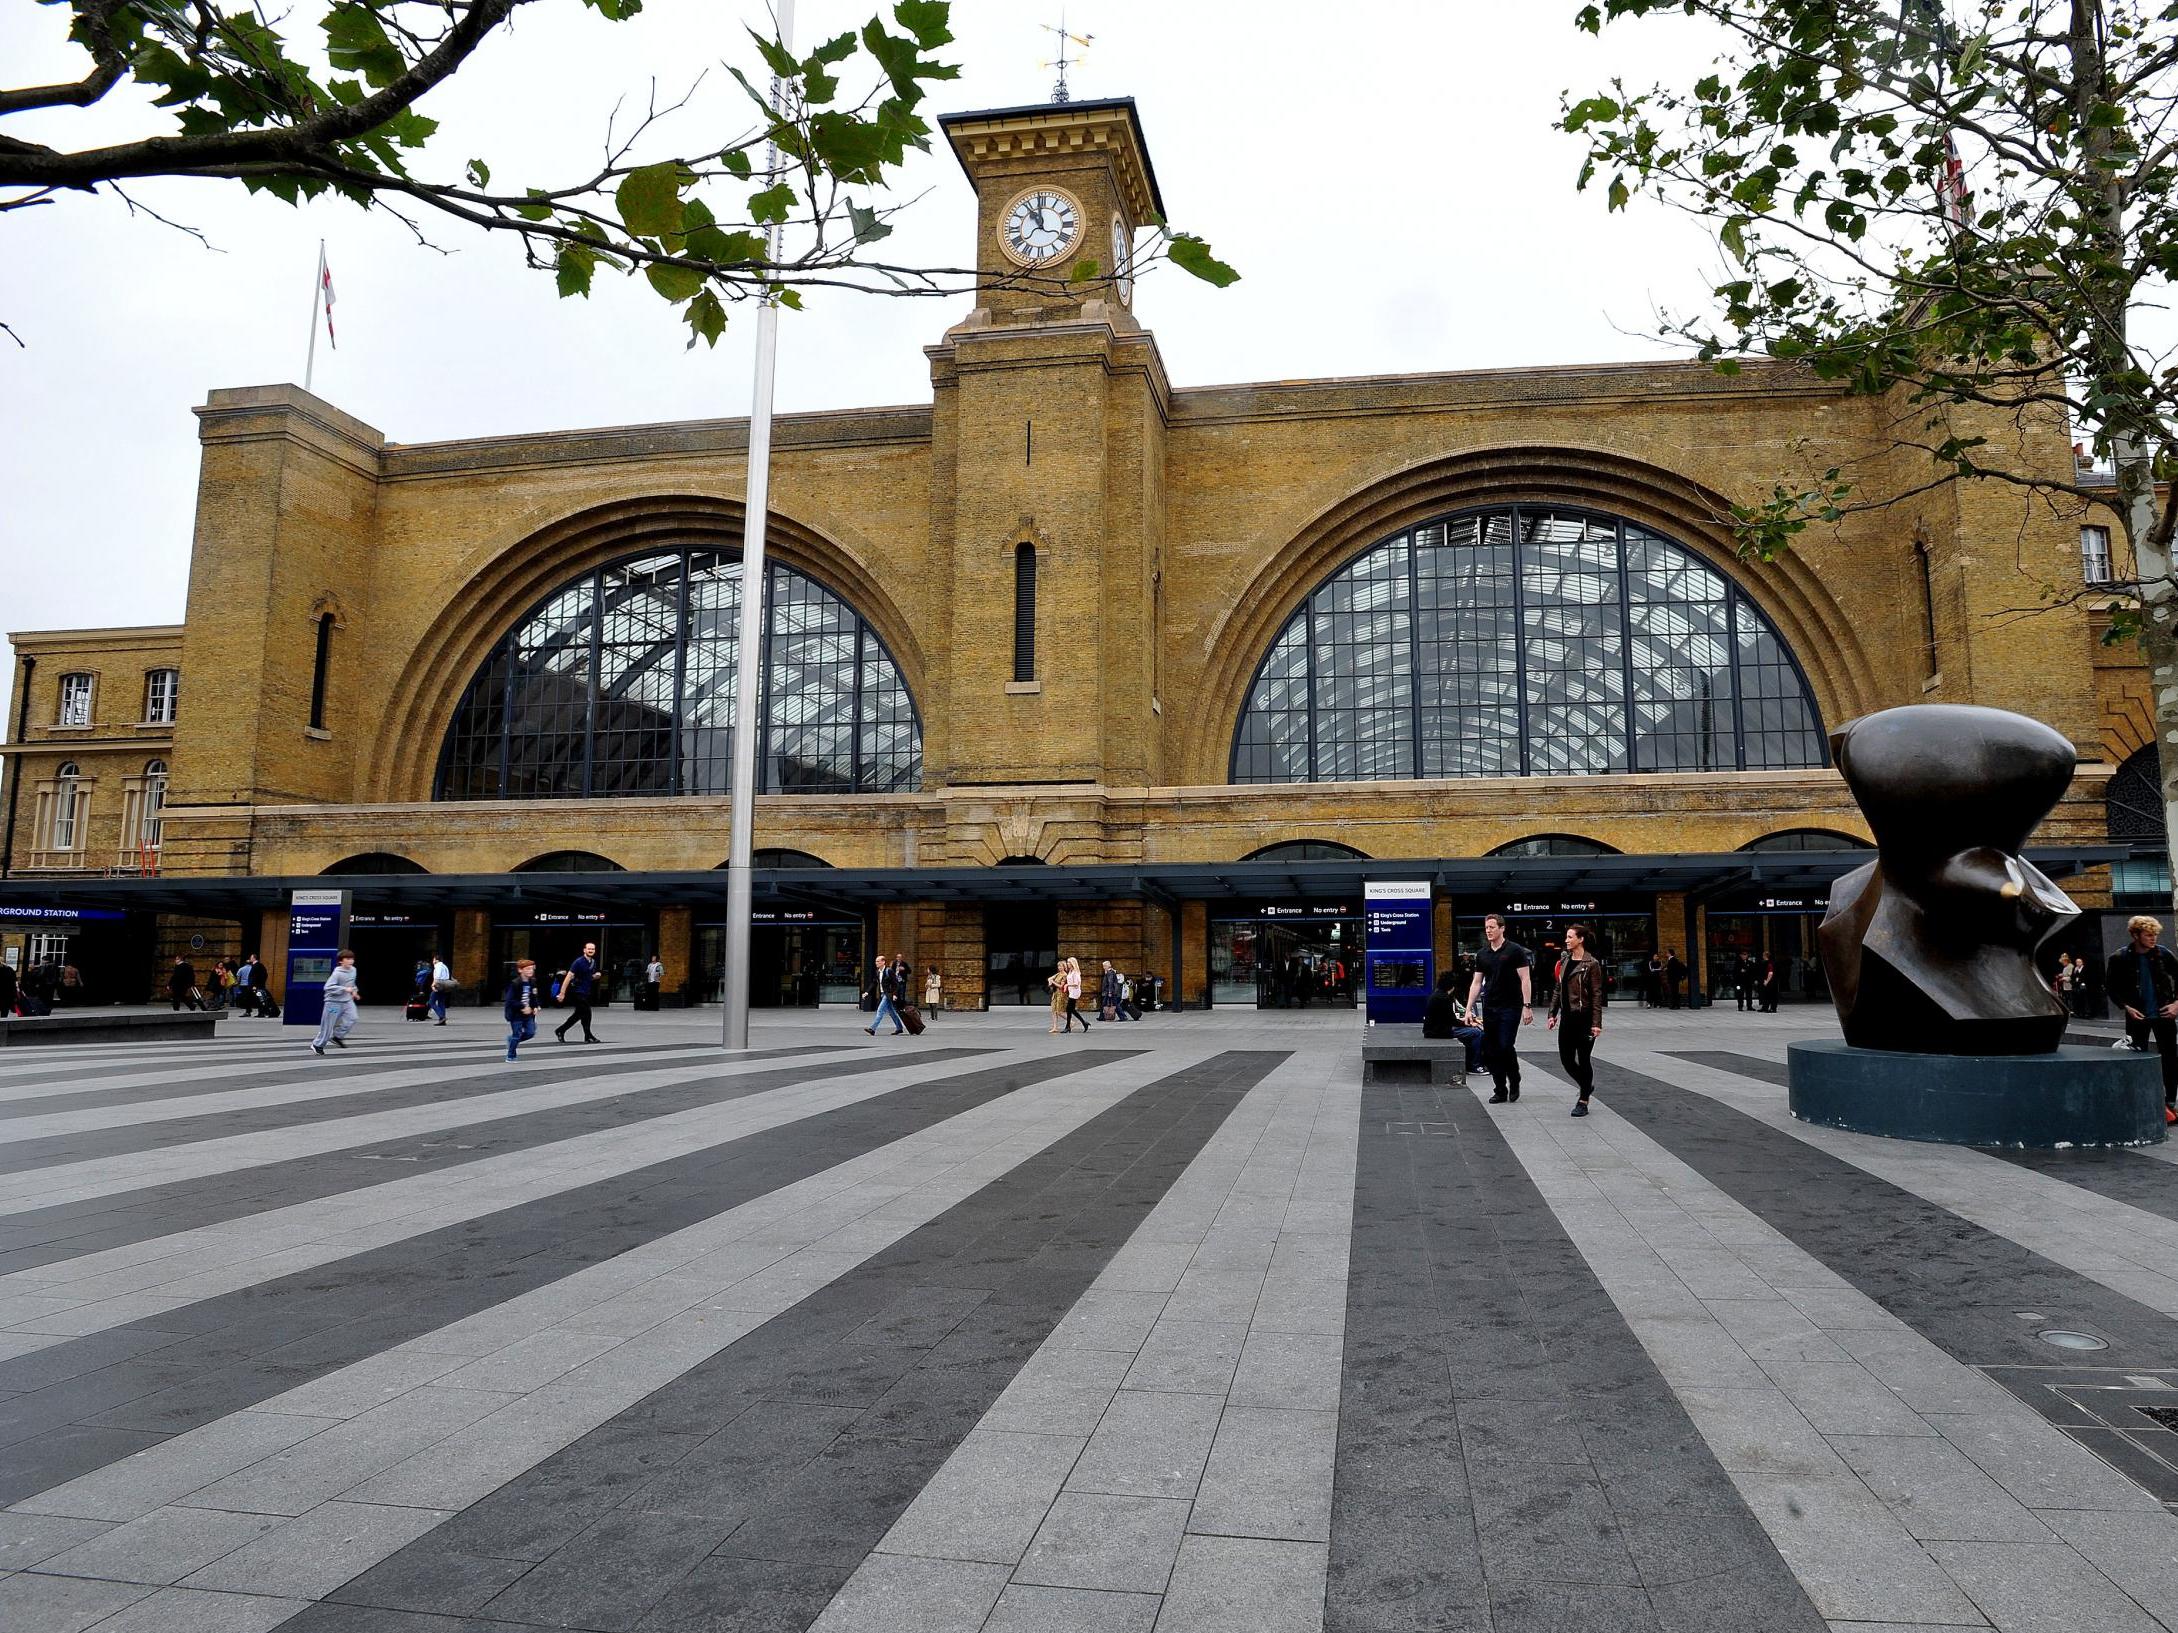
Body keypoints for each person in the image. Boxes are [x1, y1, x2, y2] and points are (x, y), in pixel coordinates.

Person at [2106, 915, 2178, 1123]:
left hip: (2164, 1014)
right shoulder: (2119, 958)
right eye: (2148, 935)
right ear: (2135, 935)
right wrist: (2126, 1007)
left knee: (2170, 1058)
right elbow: (2111, 987)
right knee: (2136, 1058)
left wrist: (2175, 1004)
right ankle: (2139, 1100)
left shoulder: (2164, 954)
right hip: (2138, 1016)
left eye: (2155, 934)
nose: (2153, 938)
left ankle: (2170, 1102)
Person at [1465, 913, 1533, 1103]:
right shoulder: (1482, 954)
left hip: (1510, 1006)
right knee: (1491, 1049)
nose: (1488, 931)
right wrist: (1468, 1009)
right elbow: (1476, 982)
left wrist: (1527, 1005)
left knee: (1505, 1046)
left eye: (1492, 927)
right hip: (1490, 1007)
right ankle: (1500, 1089)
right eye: (1486, 928)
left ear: (1502, 928)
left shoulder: (1515, 951)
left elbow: (1525, 979)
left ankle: (1515, 1079)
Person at [1548, 921, 1608, 1117]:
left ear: (1580, 939)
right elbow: (1558, 989)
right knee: (1566, 1059)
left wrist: (1596, 1023)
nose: (1566, 940)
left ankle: (1583, 1100)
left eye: (1570, 937)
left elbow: (1597, 994)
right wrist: (1552, 1014)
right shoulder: (1564, 961)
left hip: (1584, 1017)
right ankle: (1586, 1085)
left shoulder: (1592, 964)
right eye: (1566, 936)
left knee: (1583, 1059)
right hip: (1567, 1018)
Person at [1422, 971, 1486, 1074]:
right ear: (1452, 986)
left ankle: (1473, 1062)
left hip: (1435, 1029)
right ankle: (1475, 1065)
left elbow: (1449, 1018)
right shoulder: (1444, 998)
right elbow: (1452, 1021)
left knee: (1473, 1031)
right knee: (1477, 1033)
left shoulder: (1437, 995)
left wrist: (1469, 1021)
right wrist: (1469, 1023)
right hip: (1440, 1031)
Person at [310, 949, 360, 1055]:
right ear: (341, 961)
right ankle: (317, 1044)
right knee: (328, 1025)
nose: (351, 961)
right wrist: (344, 989)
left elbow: (351, 983)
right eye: (348, 959)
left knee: (353, 1018)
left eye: (352, 959)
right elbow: (328, 987)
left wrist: (354, 992)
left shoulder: (353, 970)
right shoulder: (337, 974)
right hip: (333, 1002)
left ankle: (337, 1036)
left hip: (347, 1001)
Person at [554, 940, 601, 1043]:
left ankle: (561, 1030)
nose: (591, 950)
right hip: (576, 992)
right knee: (587, 1012)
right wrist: (562, 993)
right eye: (589, 949)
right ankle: (588, 1035)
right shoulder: (578, 962)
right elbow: (568, 977)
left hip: (585, 991)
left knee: (579, 1014)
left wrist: (595, 976)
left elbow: (588, 977)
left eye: (592, 949)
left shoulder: (593, 962)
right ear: (584, 950)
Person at [503, 957, 541, 1061]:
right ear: (520, 970)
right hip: (516, 1014)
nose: (530, 971)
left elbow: (534, 996)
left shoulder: (532, 982)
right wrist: (522, 1006)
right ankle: (511, 1056)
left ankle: (511, 1040)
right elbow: (510, 1000)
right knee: (517, 1034)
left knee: (530, 1032)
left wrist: (536, 1006)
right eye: (527, 969)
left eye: (532, 969)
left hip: (528, 1014)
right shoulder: (515, 983)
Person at [866, 953, 906, 1036]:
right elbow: (874, 983)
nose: (876, 963)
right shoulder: (878, 972)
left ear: (883, 962)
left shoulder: (889, 971)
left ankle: (872, 1029)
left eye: (878, 961)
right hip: (882, 994)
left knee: (880, 1010)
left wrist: (894, 994)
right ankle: (899, 1028)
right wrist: (867, 992)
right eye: (876, 961)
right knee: (892, 1012)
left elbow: (896, 984)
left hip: (888, 994)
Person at [1063, 956, 1092, 1032]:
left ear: (1072, 964)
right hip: (1072, 991)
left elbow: (1076, 984)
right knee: (1071, 1009)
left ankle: (1068, 1027)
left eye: (1069, 962)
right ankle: (1083, 1023)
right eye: (1067, 962)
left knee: (1069, 1009)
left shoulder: (1076, 972)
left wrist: (1067, 985)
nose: (1067, 963)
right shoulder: (1070, 971)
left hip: (1075, 991)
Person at [427, 953, 454, 1024]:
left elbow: (437, 977)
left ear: (436, 960)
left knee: (431, 1002)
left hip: (439, 984)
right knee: (441, 1002)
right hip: (445, 984)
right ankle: (442, 1020)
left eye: (433, 960)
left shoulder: (438, 966)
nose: (433, 961)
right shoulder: (444, 966)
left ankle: (442, 1016)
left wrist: (433, 985)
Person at [1048, 962, 1067, 1034]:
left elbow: (1061, 986)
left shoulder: (1065, 975)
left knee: (1059, 1011)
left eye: (1061, 966)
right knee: (1053, 1011)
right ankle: (1055, 1027)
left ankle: (1071, 1022)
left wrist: (1053, 982)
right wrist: (1050, 980)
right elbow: (1050, 978)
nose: (1059, 967)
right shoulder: (1058, 974)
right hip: (1055, 994)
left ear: (1064, 967)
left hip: (1061, 994)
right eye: (1058, 966)